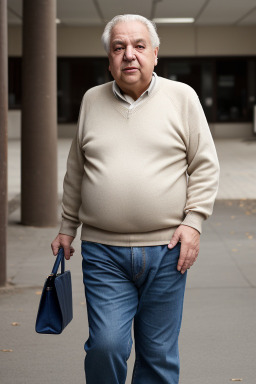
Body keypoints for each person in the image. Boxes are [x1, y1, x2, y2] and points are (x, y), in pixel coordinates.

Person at [51, 14, 219, 384]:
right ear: (109, 59)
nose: (130, 55)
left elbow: (205, 165)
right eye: (119, 48)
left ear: (155, 54)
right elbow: (76, 171)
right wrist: (66, 227)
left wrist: (194, 223)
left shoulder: (182, 97)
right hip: (103, 251)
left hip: (168, 250)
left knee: (158, 355)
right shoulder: (91, 100)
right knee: (106, 346)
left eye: (139, 46)